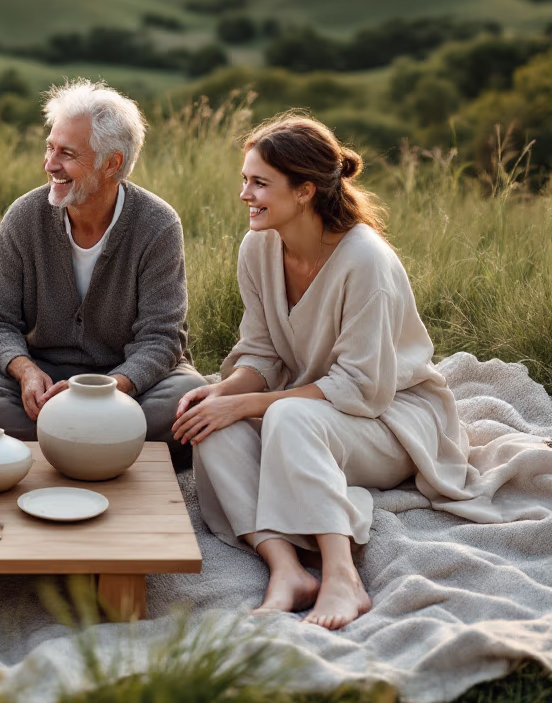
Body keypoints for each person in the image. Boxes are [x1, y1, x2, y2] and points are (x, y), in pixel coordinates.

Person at [176, 113, 473, 630]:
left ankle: (342, 576)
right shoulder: (258, 247)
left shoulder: (366, 261)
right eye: (245, 180)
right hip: (313, 415)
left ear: (305, 191)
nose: (245, 194)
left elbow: (361, 388)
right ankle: (287, 568)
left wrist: (249, 404)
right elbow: (261, 354)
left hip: (390, 421)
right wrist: (220, 395)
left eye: (260, 183)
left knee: (286, 415)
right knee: (213, 428)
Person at [0, 79, 206, 464]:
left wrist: (107, 388)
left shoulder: (157, 225)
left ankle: (60, 443)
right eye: (50, 147)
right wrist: (25, 372)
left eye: (66, 154)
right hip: (45, 375)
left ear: (112, 163)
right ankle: (107, 445)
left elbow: (162, 337)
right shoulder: (24, 217)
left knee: (185, 397)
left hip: (123, 381)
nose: (50, 164)